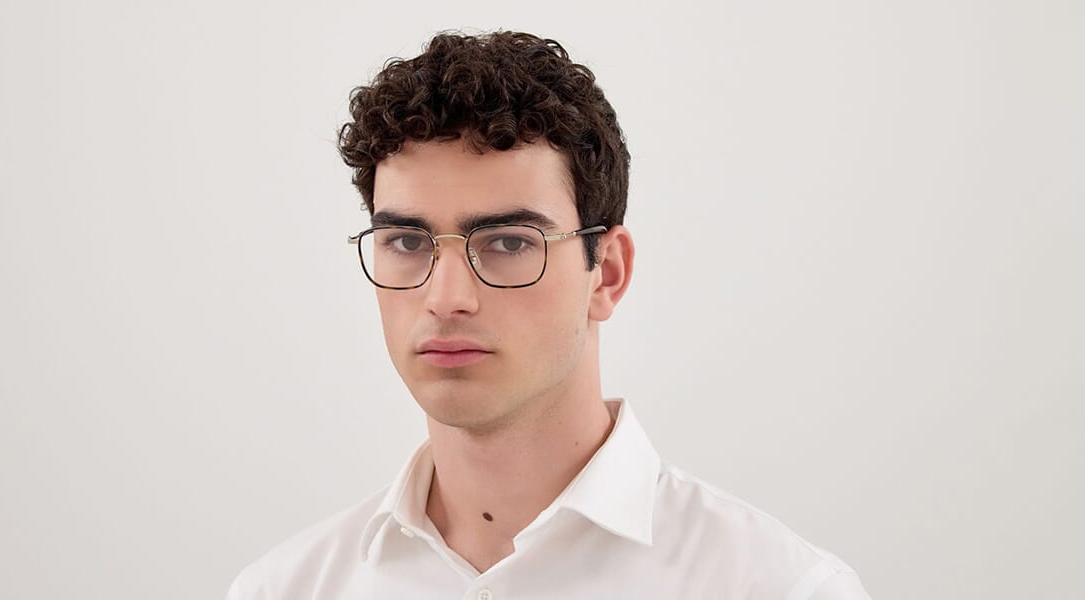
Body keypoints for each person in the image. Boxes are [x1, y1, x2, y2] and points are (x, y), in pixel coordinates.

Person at [225, 30, 872, 599]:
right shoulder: (284, 590)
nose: (446, 297)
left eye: (508, 243)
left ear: (606, 273)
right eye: (408, 242)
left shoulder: (776, 588)